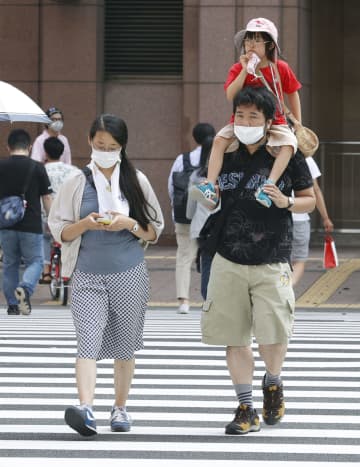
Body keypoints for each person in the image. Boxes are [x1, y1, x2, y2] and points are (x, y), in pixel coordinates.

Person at [201, 86, 315, 435]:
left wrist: (286, 202)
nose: (245, 122)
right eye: (240, 115)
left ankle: (273, 380)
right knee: (235, 337)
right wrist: (207, 195)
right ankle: (245, 407)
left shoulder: (286, 154)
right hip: (227, 256)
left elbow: (308, 199)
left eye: (253, 117)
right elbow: (209, 196)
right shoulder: (224, 151)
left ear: (268, 122)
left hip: (272, 258)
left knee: (272, 335)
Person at [48, 114, 164, 436]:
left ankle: (120, 407)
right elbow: (59, 231)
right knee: (87, 341)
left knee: (124, 346)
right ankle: (86, 408)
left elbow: (155, 230)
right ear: (89, 143)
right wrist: (85, 223)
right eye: (100, 145)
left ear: (122, 147)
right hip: (86, 275)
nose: (105, 150)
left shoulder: (136, 180)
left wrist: (128, 223)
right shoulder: (76, 182)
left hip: (129, 273)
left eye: (112, 146)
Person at [192, 17, 301, 209]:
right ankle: (209, 185)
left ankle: (268, 186)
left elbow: (293, 92)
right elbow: (230, 95)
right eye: (248, 40)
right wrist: (244, 70)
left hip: (276, 121)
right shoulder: (237, 68)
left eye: (257, 40)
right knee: (218, 141)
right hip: (241, 123)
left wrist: (298, 124)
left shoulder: (280, 68)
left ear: (269, 45)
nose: (251, 44)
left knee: (290, 144)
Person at [0, 129, 53, 315]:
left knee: (10, 263)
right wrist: (52, 221)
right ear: (30, 147)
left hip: (5, 225)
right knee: (36, 262)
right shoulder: (37, 167)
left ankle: (13, 305)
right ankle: (25, 287)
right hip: (31, 224)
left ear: (8, 147)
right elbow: (46, 198)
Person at [168, 123, 215, 314]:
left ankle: (184, 301)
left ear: (194, 138)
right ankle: (211, 299)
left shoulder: (183, 159)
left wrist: (176, 207)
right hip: (209, 217)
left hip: (185, 216)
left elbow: (171, 187)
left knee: (184, 256)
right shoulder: (218, 158)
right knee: (212, 258)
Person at [39, 137, 80, 284]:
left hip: (45, 215)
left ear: (45, 152)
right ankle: (66, 269)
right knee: (67, 240)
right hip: (68, 216)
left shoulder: (40, 170)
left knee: (44, 239)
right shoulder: (74, 171)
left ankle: (46, 273)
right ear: (62, 152)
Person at [292, 157, 334, 286]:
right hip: (299, 218)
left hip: (274, 219)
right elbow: (315, 190)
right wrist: (325, 218)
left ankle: (280, 292)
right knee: (299, 260)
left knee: (277, 261)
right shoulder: (306, 159)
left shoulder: (267, 155)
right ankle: (287, 289)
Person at [186, 135, 217, 300]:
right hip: (225, 228)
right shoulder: (228, 174)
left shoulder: (197, 176)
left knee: (207, 265)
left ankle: (208, 299)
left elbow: (190, 211)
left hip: (202, 229)